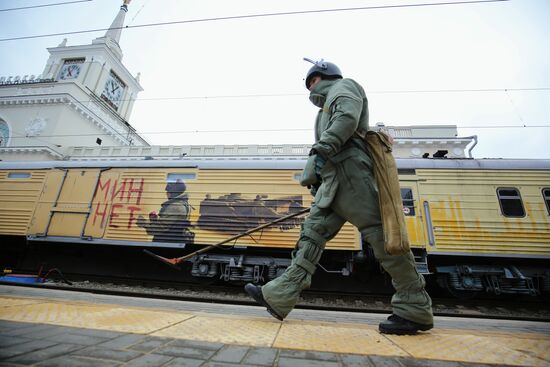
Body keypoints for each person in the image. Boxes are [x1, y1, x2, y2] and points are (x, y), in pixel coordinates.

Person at [245, 59, 433, 335]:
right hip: (335, 180)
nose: (311, 87)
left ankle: (414, 307)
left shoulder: (344, 87)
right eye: (308, 84)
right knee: (312, 235)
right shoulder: (322, 110)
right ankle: (279, 295)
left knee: (383, 238)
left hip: (352, 175)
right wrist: (319, 179)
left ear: (327, 76)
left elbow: (346, 118)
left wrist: (320, 152)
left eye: (314, 80)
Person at [137, 179, 195, 244]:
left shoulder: (175, 207)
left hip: (167, 242)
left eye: (168, 192)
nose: (166, 194)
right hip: (172, 241)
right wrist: (154, 220)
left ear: (173, 193)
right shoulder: (183, 203)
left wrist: (143, 223)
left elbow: (159, 229)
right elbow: (168, 224)